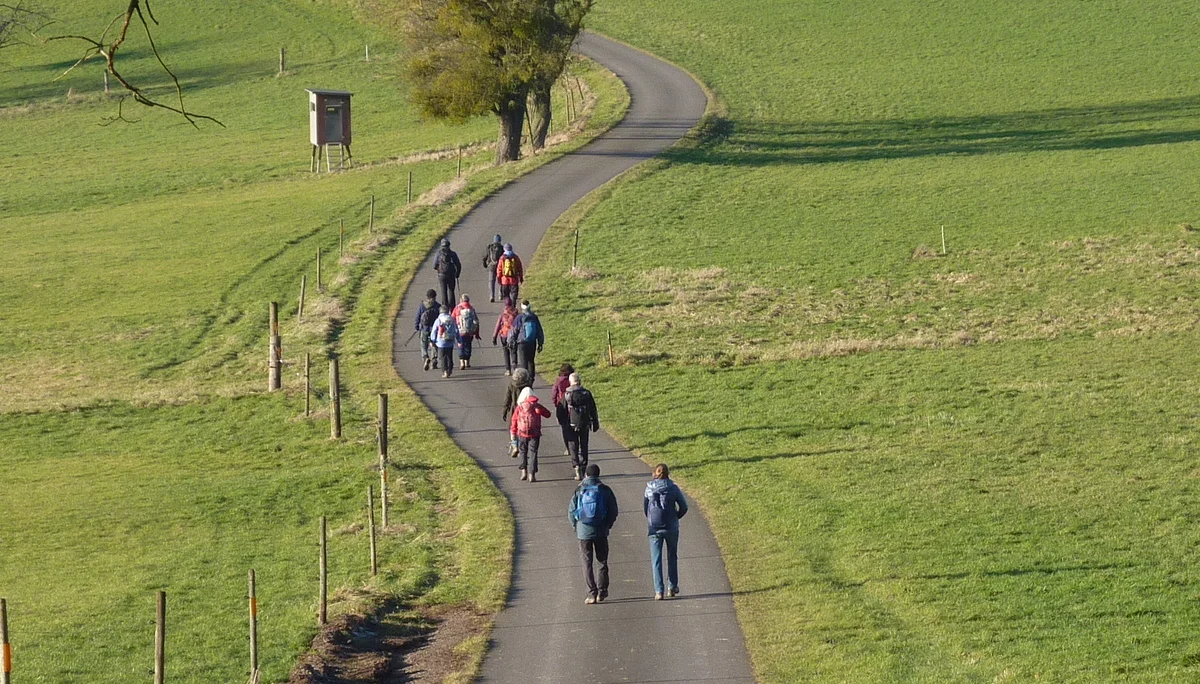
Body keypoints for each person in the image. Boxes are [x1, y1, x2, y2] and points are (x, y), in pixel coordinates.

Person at [568, 463, 619, 604]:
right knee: (602, 561)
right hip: (601, 531)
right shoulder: (605, 490)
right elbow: (613, 510)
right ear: (598, 474)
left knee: (587, 562)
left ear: (586, 475)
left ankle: (591, 593)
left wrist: (576, 527)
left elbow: (571, 512)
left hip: (583, 532)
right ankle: (602, 592)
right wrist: (607, 525)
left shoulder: (579, 489)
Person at [644, 464, 688, 600]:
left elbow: (646, 508)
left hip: (654, 528)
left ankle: (659, 591)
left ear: (655, 474)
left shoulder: (649, 489)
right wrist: (676, 516)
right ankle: (672, 586)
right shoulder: (673, 488)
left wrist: (652, 520)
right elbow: (684, 507)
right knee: (672, 556)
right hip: (671, 527)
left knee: (656, 560)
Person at [563, 373, 600, 481]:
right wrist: (595, 422)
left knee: (573, 446)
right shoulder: (587, 393)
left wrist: (564, 423)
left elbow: (561, 411)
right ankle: (584, 468)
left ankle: (576, 467)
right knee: (584, 445)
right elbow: (593, 409)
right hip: (584, 423)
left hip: (571, 424)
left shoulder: (567, 395)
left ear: (570, 382)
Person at [510, 391, 551, 482]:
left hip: (522, 433)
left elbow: (514, 420)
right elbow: (548, 414)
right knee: (533, 452)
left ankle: (523, 470)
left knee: (523, 452)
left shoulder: (520, 407)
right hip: (535, 433)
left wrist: (513, 432)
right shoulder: (537, 406)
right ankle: (531, 474)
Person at [507, 300, 544, 377]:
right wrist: (540, 343)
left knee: (524, 363)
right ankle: (531, 379)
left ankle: (525, 379)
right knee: (531, 361)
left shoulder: (519, 317)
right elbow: (539, 331)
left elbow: (513, 331)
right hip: (532, 342)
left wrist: (510, 342)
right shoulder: (534, 317)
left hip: (522, 342)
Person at [413, 289, 441, 371]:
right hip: (434, 330)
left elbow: (417, 317)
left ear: (427, 297)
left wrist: (416, 327)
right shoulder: (438, 306)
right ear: (435, 297)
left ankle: (425, 357)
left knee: (423, 345)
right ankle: (434, 360)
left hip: (424, 329)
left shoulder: (422, 306)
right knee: (434, 344)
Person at [451, 294, 481, 370]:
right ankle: (467, 361)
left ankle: (462, 362)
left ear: (461, 300)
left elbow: (452, 318)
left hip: (460, 331)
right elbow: (476, 321)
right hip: (470, 332)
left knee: (460, 345)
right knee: (468, 345)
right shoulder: (471, 308)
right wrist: (477, 333)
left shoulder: (457, 308)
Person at [551, 363, 576, 457]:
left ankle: (568, 447)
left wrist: (555, 403)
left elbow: (554, 393)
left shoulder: (558, 381)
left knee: (564, 427)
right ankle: (575, 445)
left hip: (561, 405)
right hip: (572, 405)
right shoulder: (571, 379)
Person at [492, 297, 519, 376]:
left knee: (506, 352)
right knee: (513, 352)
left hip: (504, 335)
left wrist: (494, 337)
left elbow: (497, 325)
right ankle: (515, 368)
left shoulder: (503, 313)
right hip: (513, 335)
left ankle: (508, 370)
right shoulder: (515, 312)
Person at [430, 310, 460, 378]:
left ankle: (445, 371)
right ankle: (450, 369)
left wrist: (432, 341)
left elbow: (434, 331)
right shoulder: (452, 319)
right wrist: (459, 340)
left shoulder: (438, 320)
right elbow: (456, 330)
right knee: (449, 357)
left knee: (442, 358)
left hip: (441, 343)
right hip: (450, 342)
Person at [433, 238, 462, 306]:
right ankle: (452, 308)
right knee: (451, 291)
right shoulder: (453, 254)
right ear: (449, 245)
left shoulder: (438, 254)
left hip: (442, 275)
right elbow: (458, 264)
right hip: (451, 274)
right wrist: (457, 274)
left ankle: (445, 307)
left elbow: (434, 265)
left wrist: (438, 269)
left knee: (443, 291)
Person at [482, 234, 504, 302]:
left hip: (491, 266)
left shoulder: (490, 247)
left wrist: (485, 264)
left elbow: (485, 257)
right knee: (500, 281)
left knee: (491, 282)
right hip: (500, 267)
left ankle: (492, 296)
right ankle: (500, 294)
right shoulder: (502, 247)